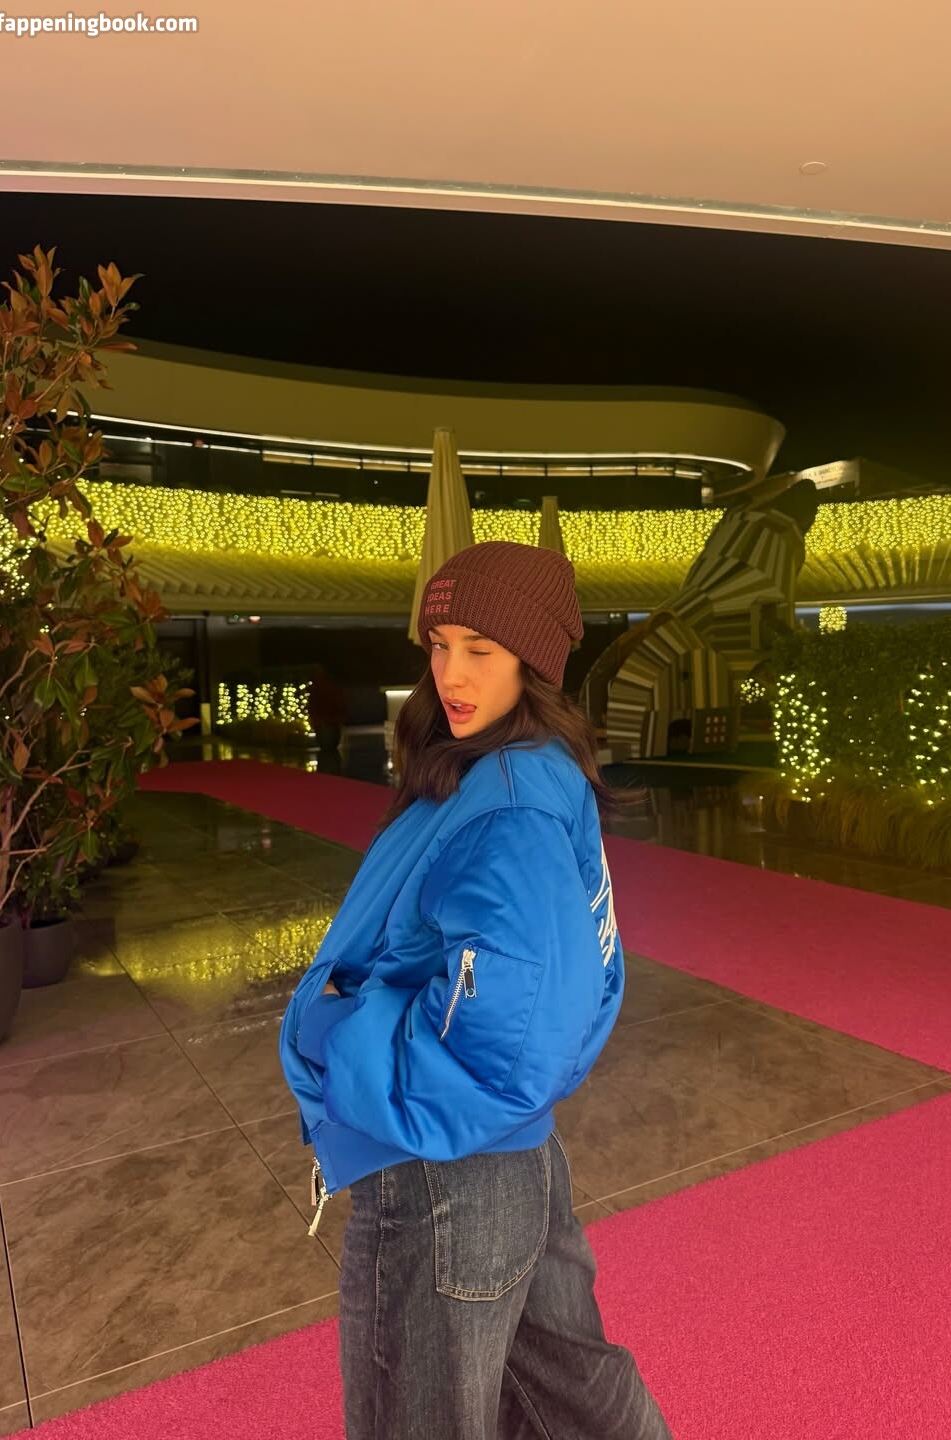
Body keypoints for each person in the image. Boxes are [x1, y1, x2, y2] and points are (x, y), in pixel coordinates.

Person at [279, 541, 672, 1440]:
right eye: (439, 643)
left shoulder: (510, 800)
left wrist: (346, 1043)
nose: (450, 673)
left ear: (533, 662)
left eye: (481, 650)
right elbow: (575, 984)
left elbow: (515, 1042)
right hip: (506, 1161)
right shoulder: (517, 767)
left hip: (440, 1172)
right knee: (578, 1405)